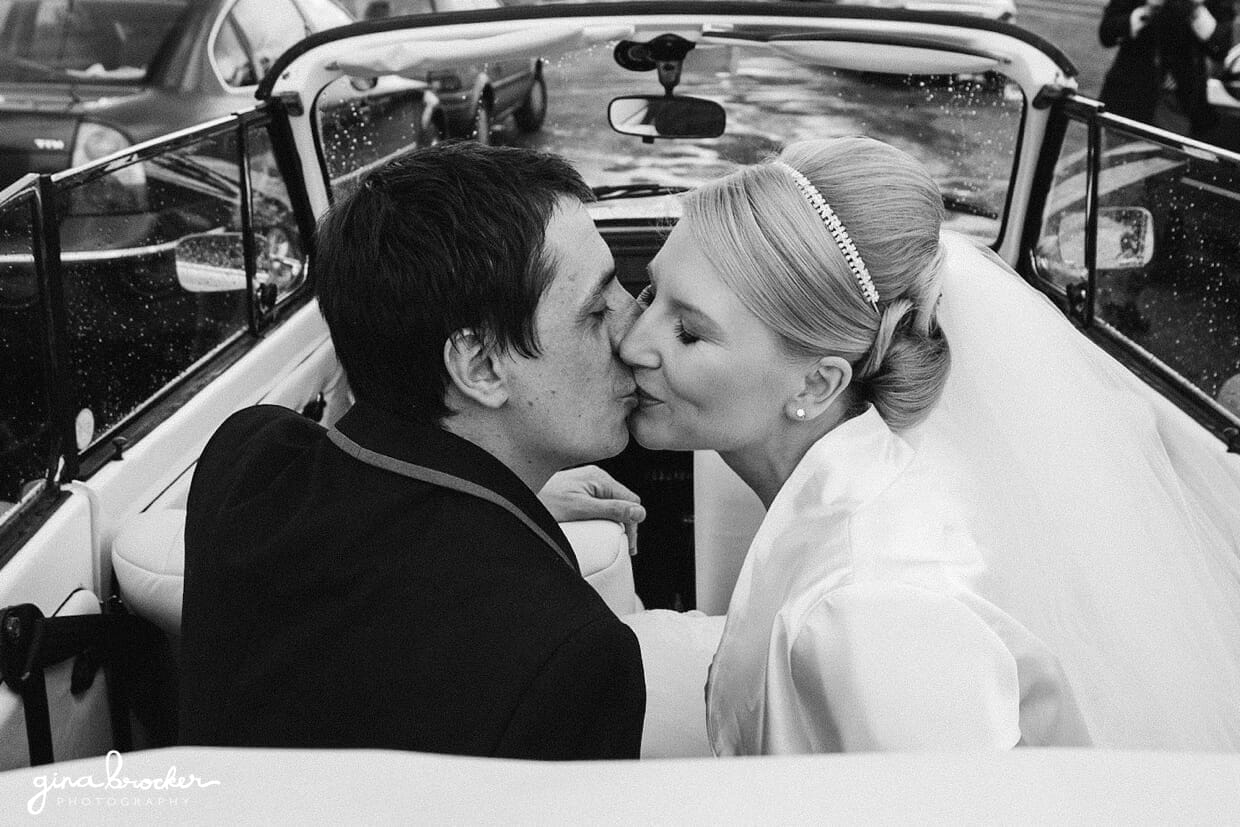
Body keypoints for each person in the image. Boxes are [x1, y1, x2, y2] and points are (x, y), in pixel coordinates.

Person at [620, 136, 1240, 753]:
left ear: (817, 381)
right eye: (650, 295)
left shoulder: (876, 612)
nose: (633, 344)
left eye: (688, 332)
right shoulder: (837, 486)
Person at [179, 142, 647, 759]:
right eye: (596, 310)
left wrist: (515, 493)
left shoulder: (248, 462)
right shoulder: (573, 653)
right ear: (479, 365)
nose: (634, 331)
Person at [1099, 0, 1235, 139]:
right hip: (1129, 99)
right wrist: (1147, 10)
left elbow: (1220, 47)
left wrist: (1196, 9)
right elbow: (1106, 33)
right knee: (1122, 158)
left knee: (1175, 157)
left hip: (1180, 104)